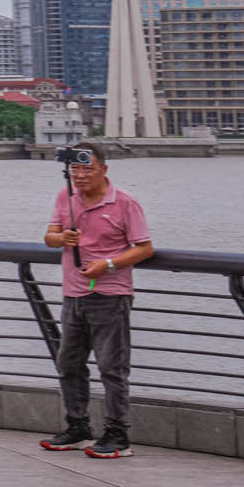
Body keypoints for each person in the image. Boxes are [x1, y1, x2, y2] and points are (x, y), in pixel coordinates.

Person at [39, 143, 154, 459]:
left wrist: (109, 264)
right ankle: (78, 427)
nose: (80, 175)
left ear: (104, 169)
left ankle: (118, 435)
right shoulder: (66, 197)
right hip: (73, 293)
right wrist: (62, 238)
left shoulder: (125, 202)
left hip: (110, 295)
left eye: (87, 169)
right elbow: (49, 236)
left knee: (111, 367)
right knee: (68, 363)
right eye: (75, 169)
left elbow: (144, 248)